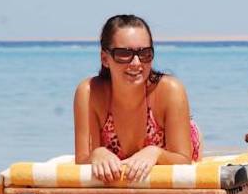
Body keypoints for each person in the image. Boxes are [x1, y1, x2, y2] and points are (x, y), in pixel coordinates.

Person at [73, 14, 202, 183]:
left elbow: (184, 160)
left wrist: (155, 153)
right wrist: (97, 154)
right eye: (124, 54)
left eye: (145, 53)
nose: (136, 63)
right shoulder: (89, 93)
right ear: (105, 59)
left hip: (177, 152)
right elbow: (82, 161)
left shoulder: (170, 90)